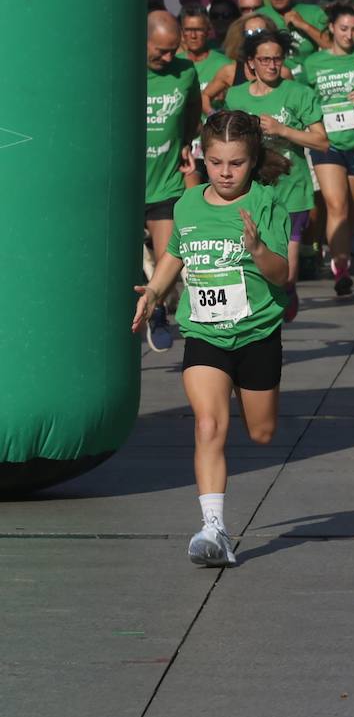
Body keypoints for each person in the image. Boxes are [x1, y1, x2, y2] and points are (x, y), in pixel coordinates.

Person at [132, 109, 292, 566]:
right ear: (203, 157)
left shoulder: (265, 204)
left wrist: (258, 248)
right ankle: (213, 530)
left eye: (236, 163)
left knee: (262, 433)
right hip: (204, 333)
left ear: (252, 159)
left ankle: (247, 399)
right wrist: (156, 294)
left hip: (257, 331)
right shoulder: (188, 204)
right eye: (217, 162)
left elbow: (282, 275)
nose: (225, 172)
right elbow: (174, 257)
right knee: (208, 425)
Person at [225, 30, 328, 319]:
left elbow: (321, 141)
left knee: (286, 274)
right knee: (251, 255)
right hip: (251, 188)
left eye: (277, 60)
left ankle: (287, 290)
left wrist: (282, 130)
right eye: (265, 60)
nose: (272, 66)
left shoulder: (299, 94)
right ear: (251, 63)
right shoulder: (235, 95)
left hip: (291, 187)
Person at [301, 5, 354, 298]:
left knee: (350, 209)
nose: (349, 35)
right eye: (343, 28)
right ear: (331, 29)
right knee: (336, 204)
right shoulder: (313, 63)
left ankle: (339, 247)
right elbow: (302, 98)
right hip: (327, 143)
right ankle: (341, 268)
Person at [145, 10, 203, 352]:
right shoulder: (124, 68)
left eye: (173, 50)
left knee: (170, 253)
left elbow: (194, 106)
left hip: (165, 182)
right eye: (161, 51)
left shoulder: (184, 72)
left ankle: (158, 316)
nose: (169, 58)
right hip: (125, 185)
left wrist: (185, 140)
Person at [179, 4, 231, 111]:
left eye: (198, 30)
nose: (193, 36)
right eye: (188, 30)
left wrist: (226, 95)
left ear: (208, 31)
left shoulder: (224, 64)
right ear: (182, 32)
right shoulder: (174, 64)